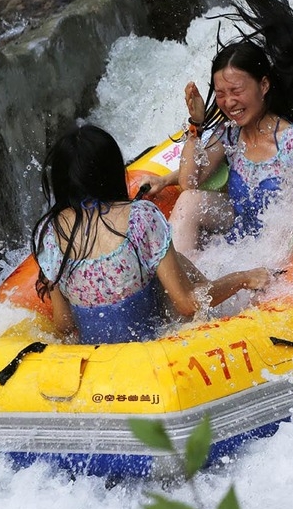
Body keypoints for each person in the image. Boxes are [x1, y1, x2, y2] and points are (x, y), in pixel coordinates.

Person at [150, 0, 293, 254]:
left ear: (264, 85)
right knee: (189, 200)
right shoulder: (230, 136)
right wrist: (196, 124)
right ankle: (183, 290)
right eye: (221, 94)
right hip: (238, 232)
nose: (229, 102)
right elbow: (189, 181)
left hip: (279, 244)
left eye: (236, 91)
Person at [31, 124, 271, 344]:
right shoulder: (140, 217)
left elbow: (65, 325)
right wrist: (243, 278)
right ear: (113, 172)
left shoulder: (51, 233)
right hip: (153, 348)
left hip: (98, 359)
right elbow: (188, 303)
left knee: (173, 262)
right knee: (178, 266)